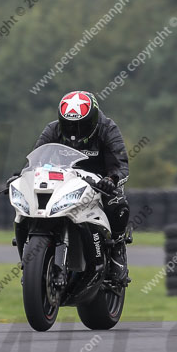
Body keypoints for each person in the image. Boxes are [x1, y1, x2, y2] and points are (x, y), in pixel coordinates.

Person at [33, 90, 130, 282]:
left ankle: (116, 250)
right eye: (68, 125)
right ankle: (34, 254)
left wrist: (112, 180)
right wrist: (24, 174)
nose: (74, 131)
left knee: (117, 203)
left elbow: (121, 163)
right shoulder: (52, 129)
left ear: (93, 120)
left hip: (100, 182)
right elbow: (37, 158)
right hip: (63, 181)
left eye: (81, 125)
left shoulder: (107, 128)